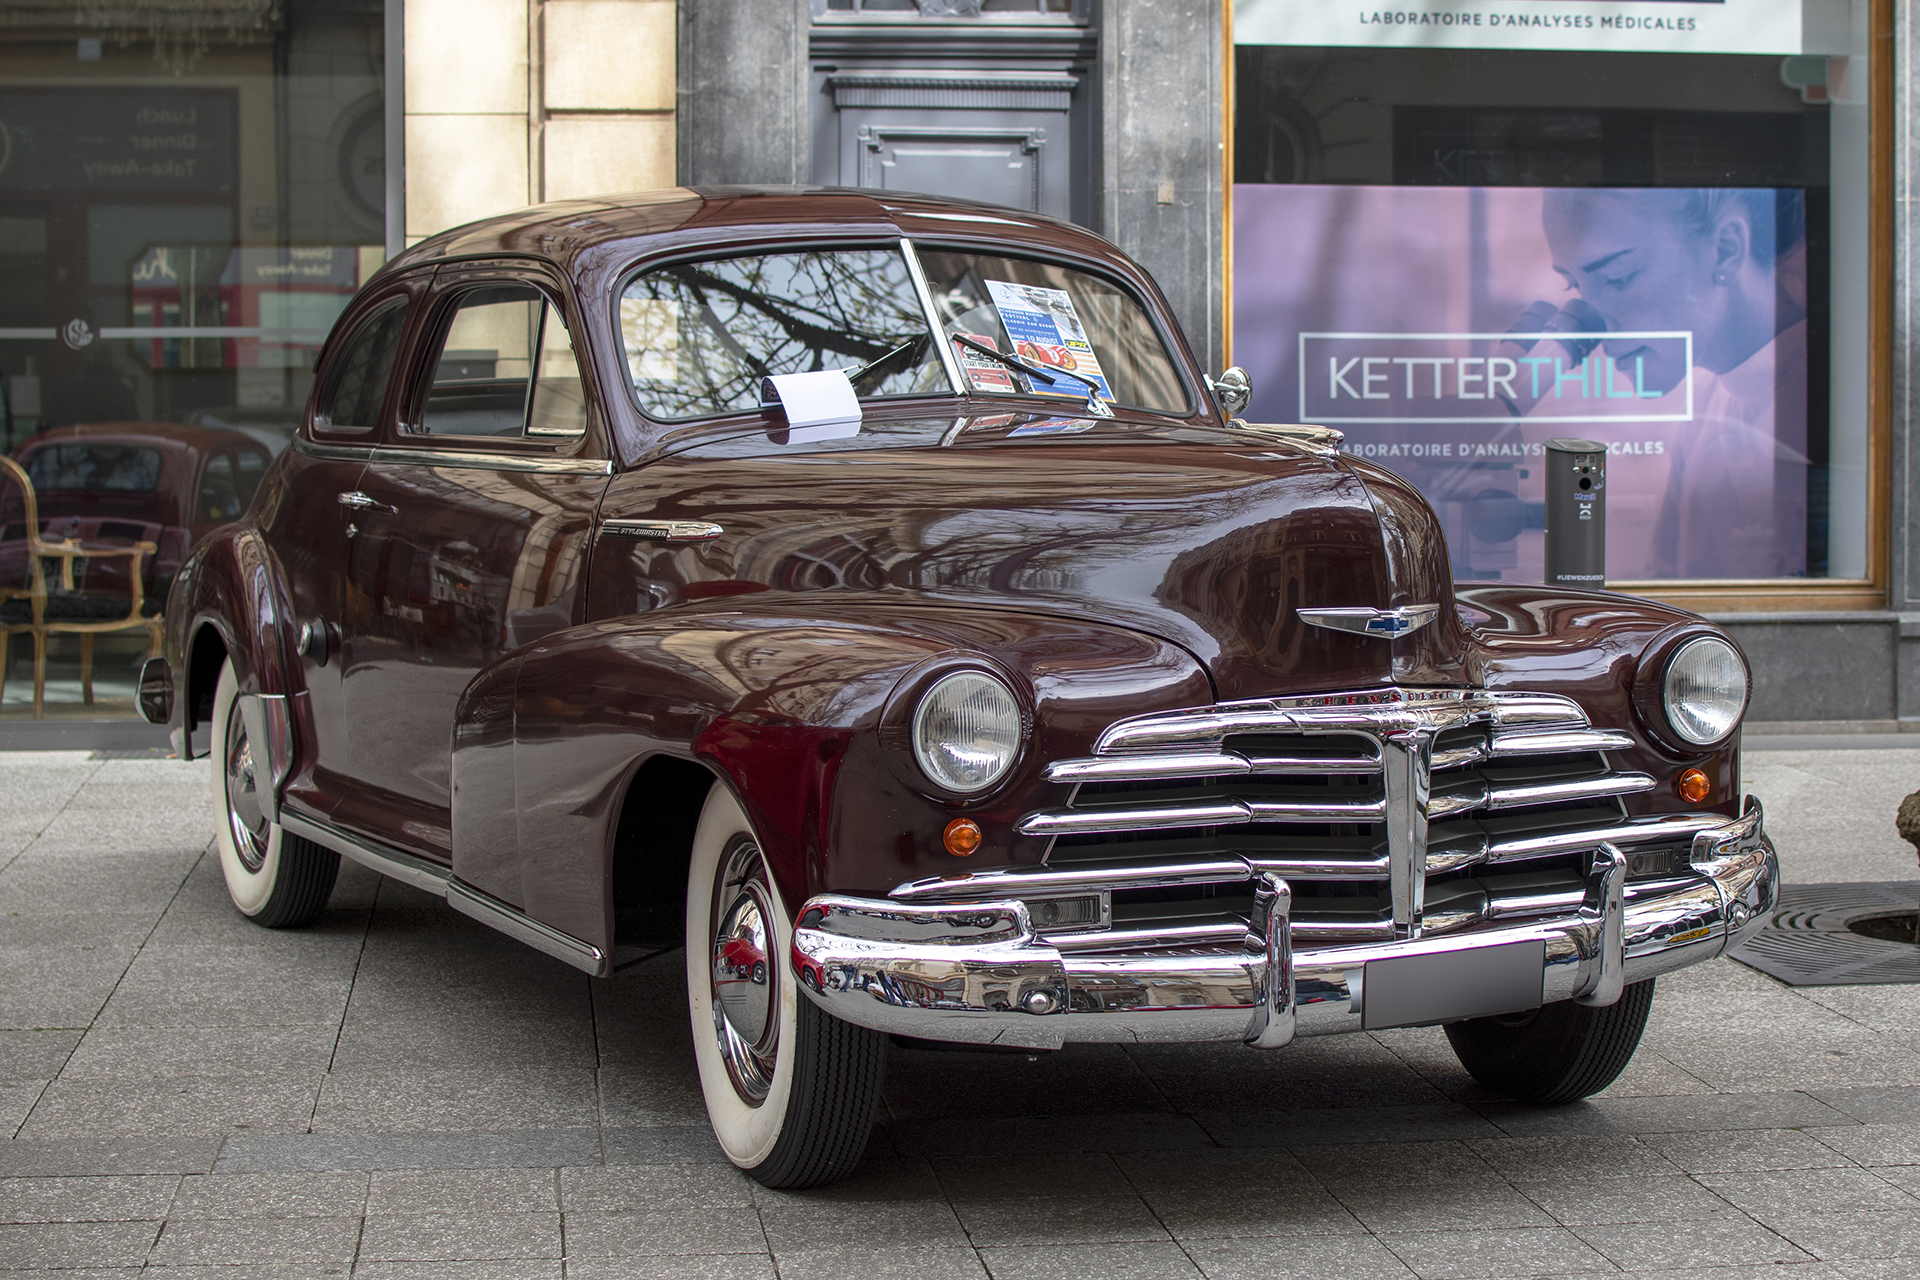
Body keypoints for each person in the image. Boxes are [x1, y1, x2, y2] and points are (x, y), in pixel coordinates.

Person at [1520, 188, 1809, 579]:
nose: (1598, 324)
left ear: (1725, 248)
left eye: (1617, 278)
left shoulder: (1824, 398)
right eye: (1575, 287)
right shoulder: (1706, 413)